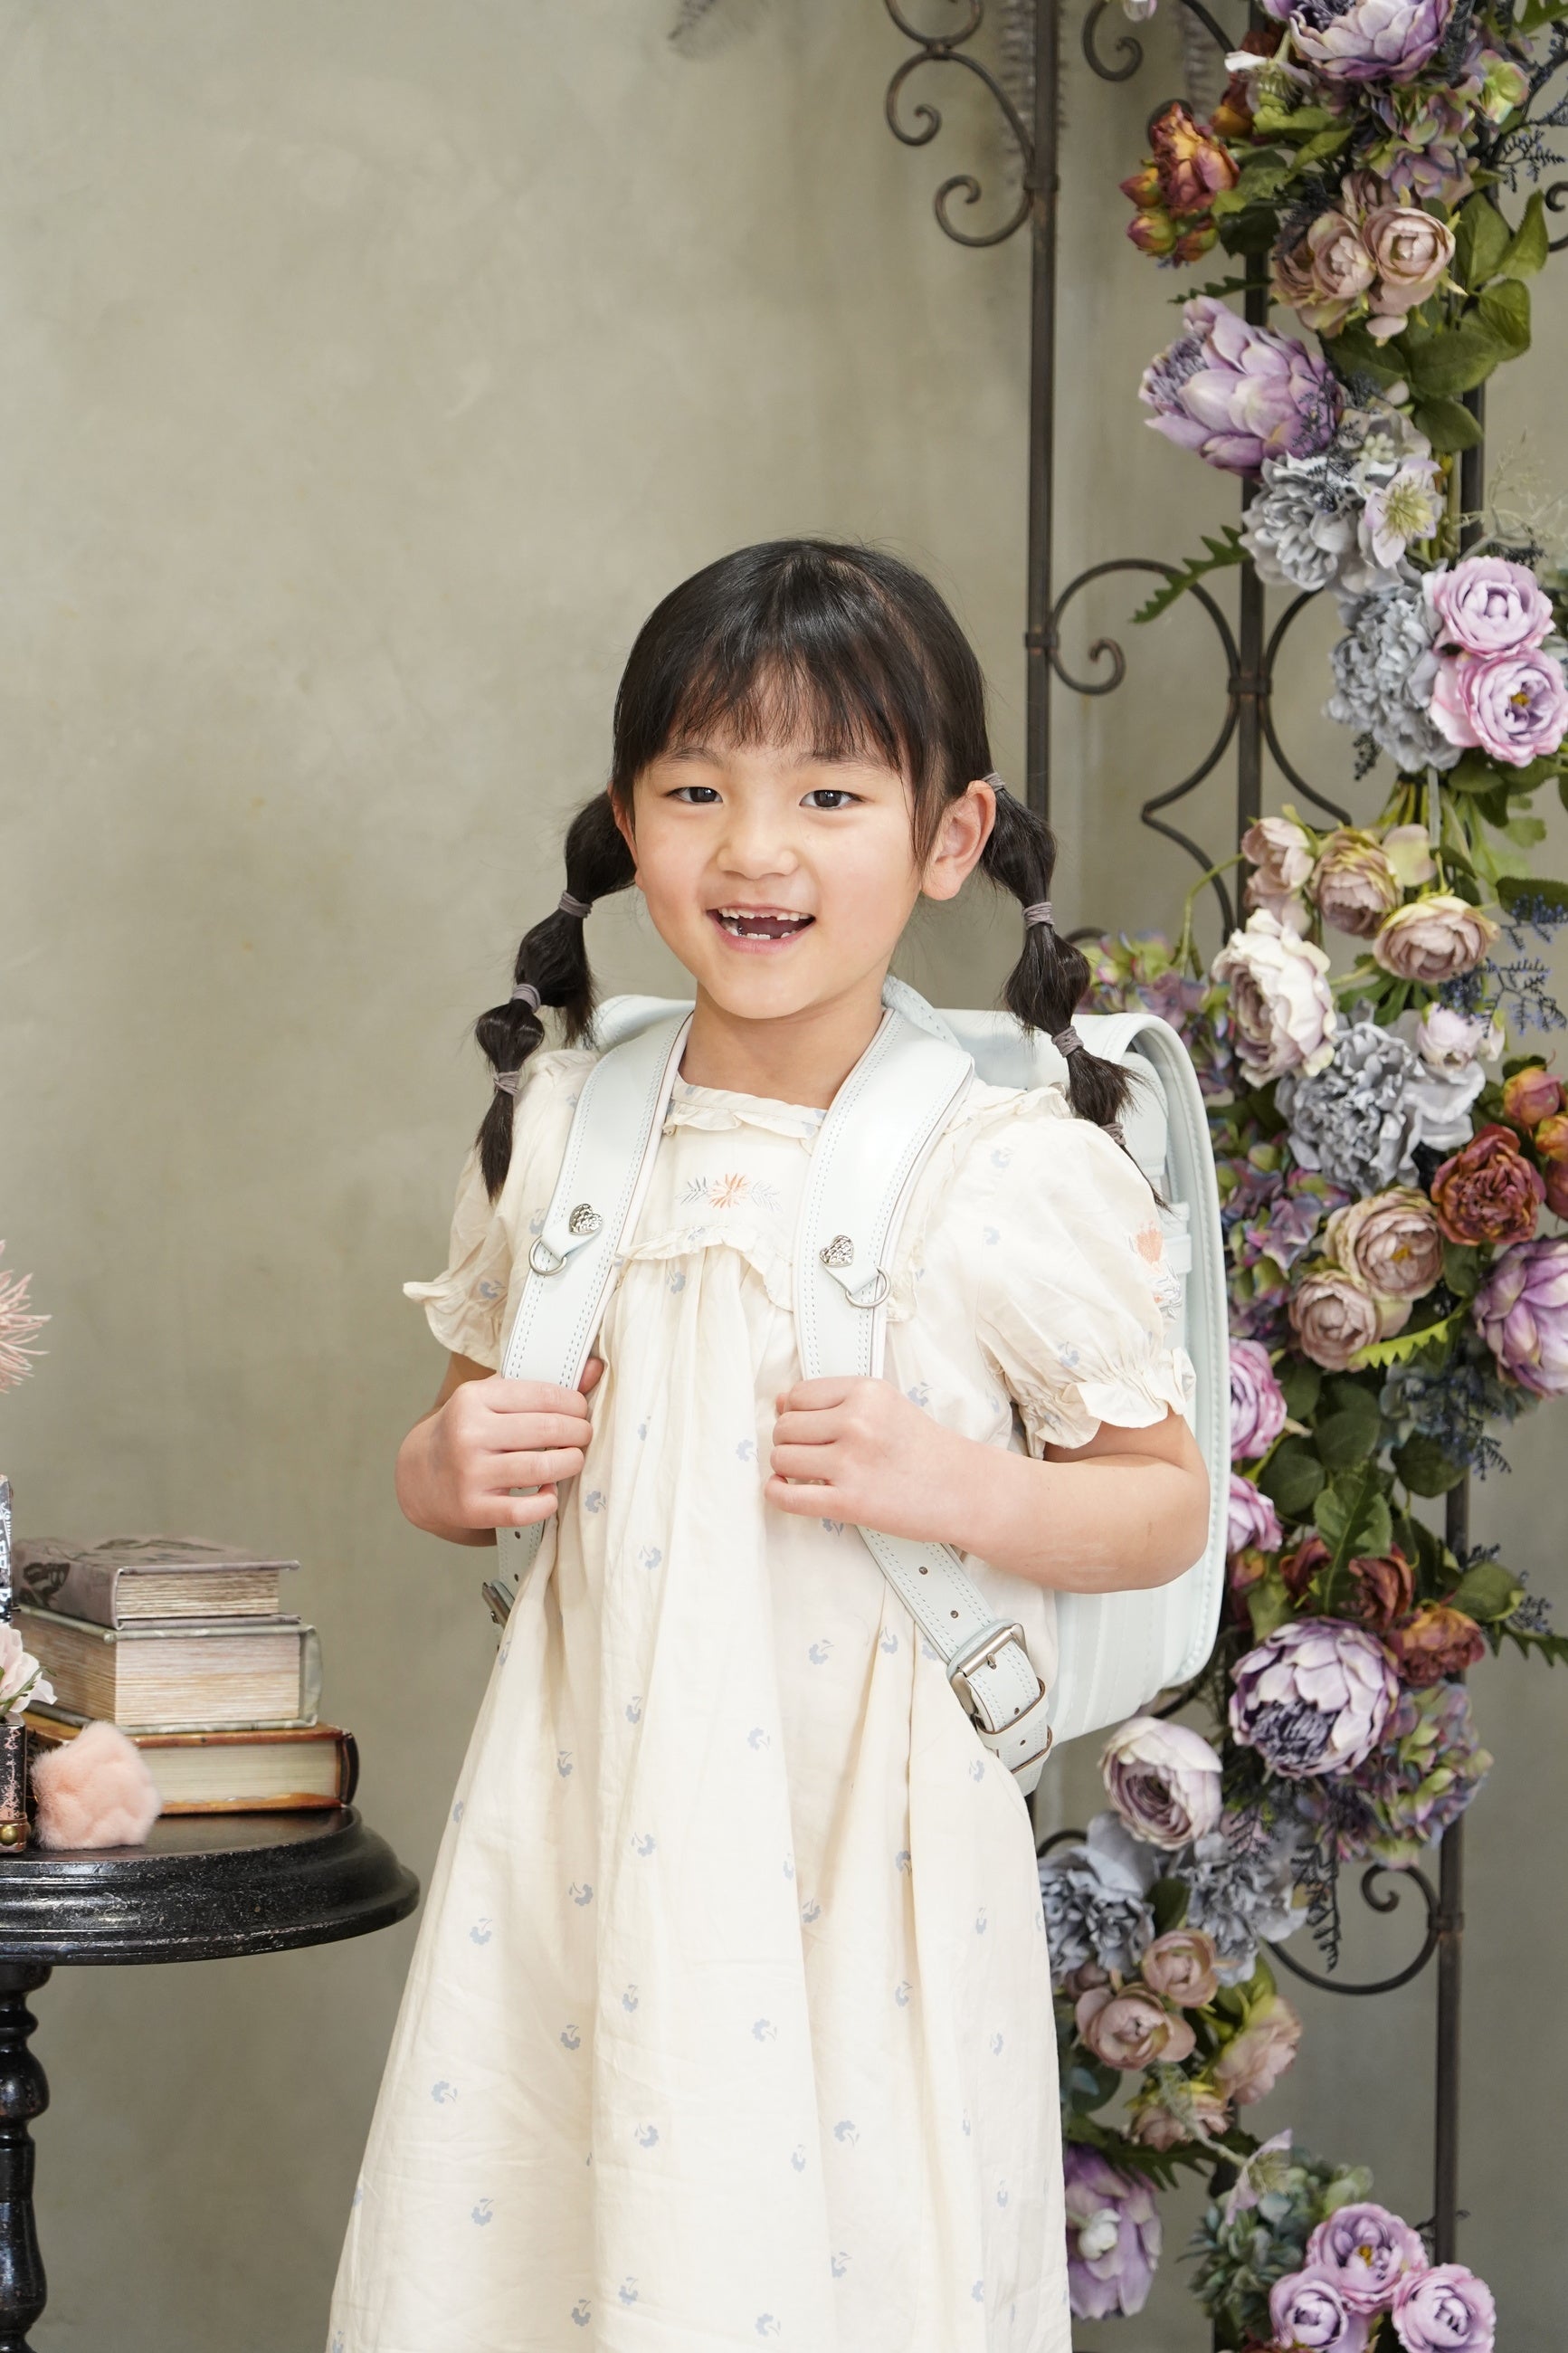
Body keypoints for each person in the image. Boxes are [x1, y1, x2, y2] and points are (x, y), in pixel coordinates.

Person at [328, 540, 1209, 2352]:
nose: (755, 849)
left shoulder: (1004, 1168)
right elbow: (452, 1453)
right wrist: (447, 1468)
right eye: (696, 791)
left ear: (950, 839)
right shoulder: (564, 1134)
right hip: (585, 1823)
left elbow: (1162, 1507)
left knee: (848, 2257)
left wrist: (958, 1486)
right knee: (557, 2244)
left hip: (868, 1853)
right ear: (625, 822)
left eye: (828, 794)